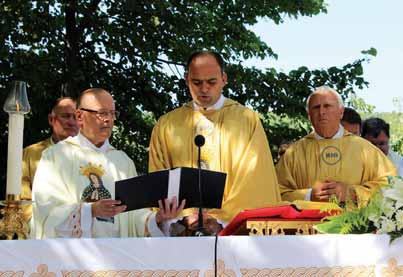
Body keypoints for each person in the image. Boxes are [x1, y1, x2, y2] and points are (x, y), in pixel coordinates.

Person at [148, 51, 281, 234]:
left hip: (232, 230)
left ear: (224, 78)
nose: (204, 89)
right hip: (181, 231)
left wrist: (219, 218)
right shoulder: (167, 124)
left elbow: (254, 179)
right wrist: (185, 215)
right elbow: (159, 179)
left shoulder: (246, 120)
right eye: (197, 82)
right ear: (186, 79)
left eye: (211, 82)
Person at [31, 88, 184, 239]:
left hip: (117, 258)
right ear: (79, 116)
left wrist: (156, 219)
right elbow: (47, 213)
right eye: (102, 113)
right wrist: (90, 211)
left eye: (112, 114)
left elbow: (132, 218)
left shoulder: (122, 162)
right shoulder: (56, 156)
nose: (108, 119)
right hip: (75, 260)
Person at [276, 86, 396, 207]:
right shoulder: (294, 153)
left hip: (355, 224)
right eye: (316, 107)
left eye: (327, 106)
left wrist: (353, 193)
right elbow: (276, 192)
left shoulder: (364, 149)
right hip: (304, 225)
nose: (322, 112)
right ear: (309, 115)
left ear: (341, 112)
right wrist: (308, 195)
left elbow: (391, 185)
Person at [21, 97, 79, 220]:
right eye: (66, 116)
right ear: (51, 119)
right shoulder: (30, 154)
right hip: (42, 230)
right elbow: (22, 200)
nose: (72, 122)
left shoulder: (91, 155)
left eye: (76, 117)